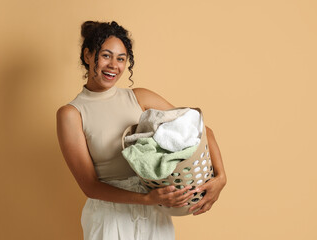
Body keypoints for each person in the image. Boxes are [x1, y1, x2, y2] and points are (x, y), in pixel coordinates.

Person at [56, 20, 227, 240]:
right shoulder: (72, 114)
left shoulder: (140, 98)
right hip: (110, 217)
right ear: (88, 55)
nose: (113, 65)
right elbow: (90, 186)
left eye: (121, 59)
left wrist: (221, 178)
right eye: (106, 55)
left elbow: (201, 129)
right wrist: (148, 199)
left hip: (155, 212)